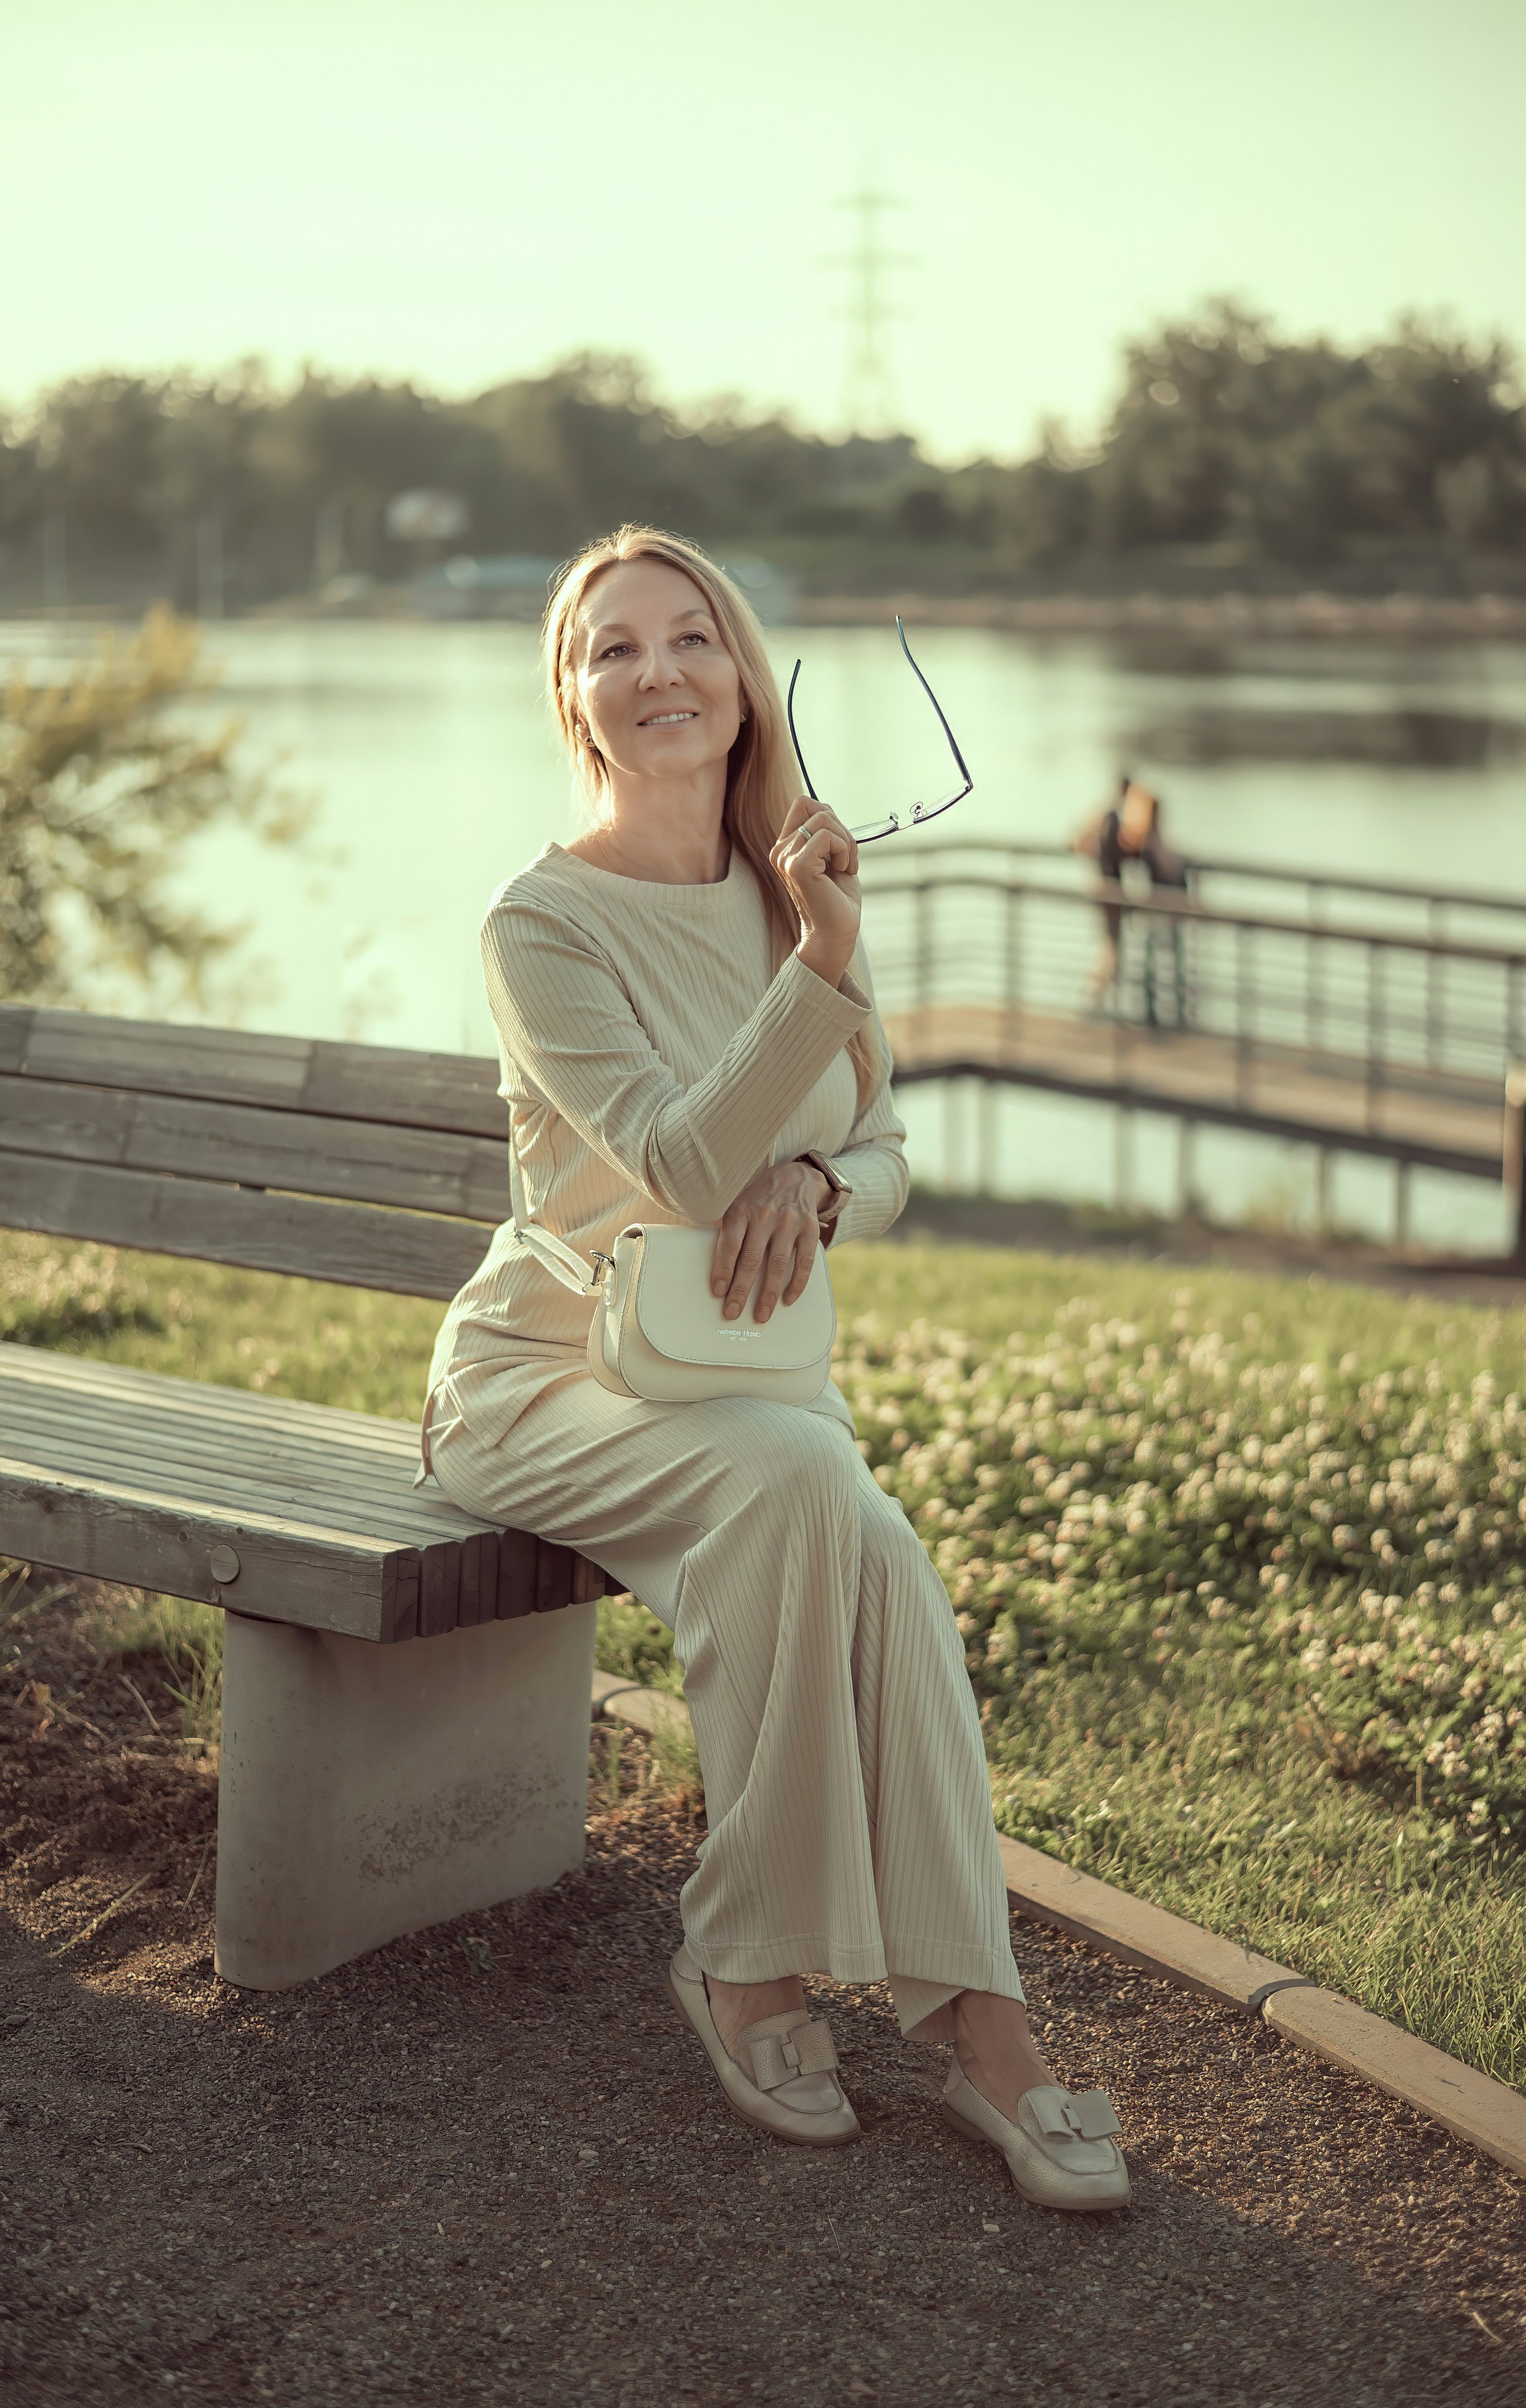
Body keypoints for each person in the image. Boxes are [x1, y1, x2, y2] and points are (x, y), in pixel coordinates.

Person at [419, 525, 1127, 2212]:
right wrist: (814, 969)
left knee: (860, 1534)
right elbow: (672, 1164)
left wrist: (819, 1178)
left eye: (691, 638)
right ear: (574, 701)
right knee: (822, 1494)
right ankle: (776, 1969)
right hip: (544, 1380)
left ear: (741, 680)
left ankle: (978, 2023)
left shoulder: (788, 891)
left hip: (739, 1392)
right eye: (613, 649)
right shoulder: (545, 922)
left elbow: (883, 1146)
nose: (656, 670)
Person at [1071, 775, 1189, 1027]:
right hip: (1113, 895)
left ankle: (1100, 1004)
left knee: (1112, 948)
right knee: (1113, 949)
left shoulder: (1104, 817)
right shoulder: (1114, 821)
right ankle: (1097, 1004)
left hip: (1107, 892)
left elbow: (1077, 844)